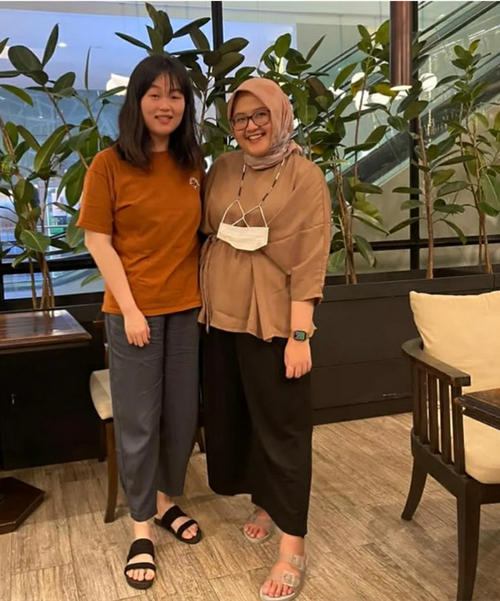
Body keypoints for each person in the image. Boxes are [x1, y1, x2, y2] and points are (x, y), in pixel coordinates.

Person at [199, 77, 331, 601]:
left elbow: (309, 262)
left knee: (283, 429)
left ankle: (292, 544)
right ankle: (263, 502)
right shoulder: (223, 167)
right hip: (219, 318)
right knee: (239, 418)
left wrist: (300, 335)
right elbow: (202, 230)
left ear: (280, 116)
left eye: (261, 115)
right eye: (240, 118)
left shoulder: (305, 177)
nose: (251, 126)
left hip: (274, 321)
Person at [78, 54, 204, 591]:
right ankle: (141, 528)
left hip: (187, 309)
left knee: (180, 415)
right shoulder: (108, 165)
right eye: (155, 94)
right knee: (138, 421)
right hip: (133, 313)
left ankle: (167, 501)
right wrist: (131, 309)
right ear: (137, 101)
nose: (166, 104)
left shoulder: (193, 164)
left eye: (176, 95)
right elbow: (97, 241)